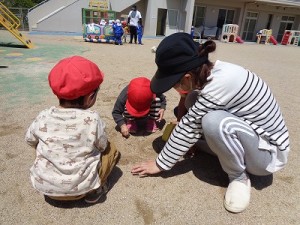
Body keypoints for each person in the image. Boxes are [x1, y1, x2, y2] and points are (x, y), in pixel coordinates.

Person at [131, 33, 290, 213]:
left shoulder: (219, 85)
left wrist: (160, 163)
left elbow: (189, 127)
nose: (173, 89)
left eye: (173, 84)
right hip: (250, 135)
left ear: (187, 78)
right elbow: (191, 117)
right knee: (193, 100)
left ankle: (238, 177)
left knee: (213, 122)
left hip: (267, 156)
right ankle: (220, 150)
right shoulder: (213, 73)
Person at [25, 56, 120, 204]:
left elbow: (30, 140)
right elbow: (102, 146)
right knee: (112, 149)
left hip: (47, 190)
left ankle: (50, 176)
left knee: (40, 143)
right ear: (90, 97)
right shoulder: (93, 119)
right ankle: (96, 191)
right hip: (83, 189)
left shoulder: (43, 116)